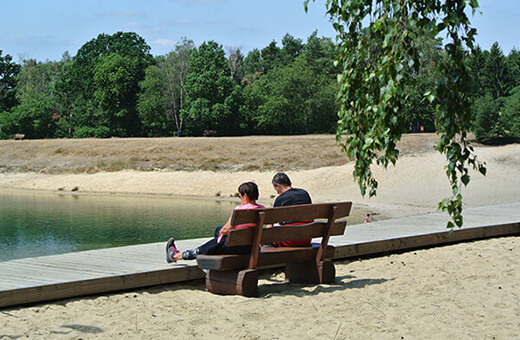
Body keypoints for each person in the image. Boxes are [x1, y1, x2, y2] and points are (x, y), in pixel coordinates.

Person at [166, 181, 265, 263]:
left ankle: (175, 256)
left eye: (239, 195)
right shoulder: (263, 209)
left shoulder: (240, 210)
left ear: (245, 196)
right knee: (218, 233)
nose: (239, 198)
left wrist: (222, 233)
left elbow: (225, 230)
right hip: (251, 247)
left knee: (209, 245)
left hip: (237, 246)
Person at [270, 172, 312, 247]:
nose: (277, 192)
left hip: (290, 240)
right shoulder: (304, 193)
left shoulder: (280, 199)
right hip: (307, 237)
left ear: (278, 185)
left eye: (275, 188)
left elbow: (271, 222)